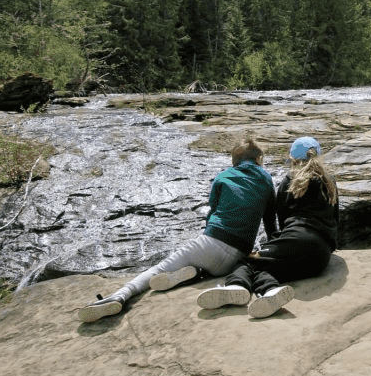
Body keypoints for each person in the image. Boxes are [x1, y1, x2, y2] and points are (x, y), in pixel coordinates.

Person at [78, 138, 275, 323]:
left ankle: (120, 296)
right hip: (236, 258)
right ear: (259, 159)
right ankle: (193, 273)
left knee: (158, 269)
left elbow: (212, 214)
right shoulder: (267, 180)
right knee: (205, 268)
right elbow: (270, 225)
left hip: (211, 243)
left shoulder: (223, 176)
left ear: (235, 161)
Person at [196, 135, 338, 318]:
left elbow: (282, 223)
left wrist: (269, 249)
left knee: (249, 262)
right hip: (321, 258)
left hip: (295, 240)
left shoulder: (289, 181)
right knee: (269, 267)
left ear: (293, 159)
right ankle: (271, 292)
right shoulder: (329, 181)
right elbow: (336, 218)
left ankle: (240, 286)